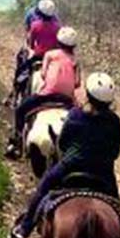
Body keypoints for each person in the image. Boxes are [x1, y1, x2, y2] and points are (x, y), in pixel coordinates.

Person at [11, 72, 120, 238]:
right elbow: (115, 152)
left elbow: (63, 143)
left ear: (88, 95)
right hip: (103, 171)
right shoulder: (114, 121)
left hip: (70, 165)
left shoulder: (76, 114)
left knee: (43, 188)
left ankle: (25, 227)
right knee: (116, 205)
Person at [7, 26, 80, 158]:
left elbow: (43, 75)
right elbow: (77, 83)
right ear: (73, 46)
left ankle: (15, 143)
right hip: (67, 99)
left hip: (47, 95)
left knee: (20, 110)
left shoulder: (50, 55)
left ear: (58, 42)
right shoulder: (75, 61)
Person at [13, 0, 61, 97]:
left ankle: (16, 91)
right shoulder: (58, 27)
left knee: (23, 70)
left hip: (38, 55)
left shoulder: (35, 25)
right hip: (53, 57)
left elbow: (30, 43)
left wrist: (32, 48)